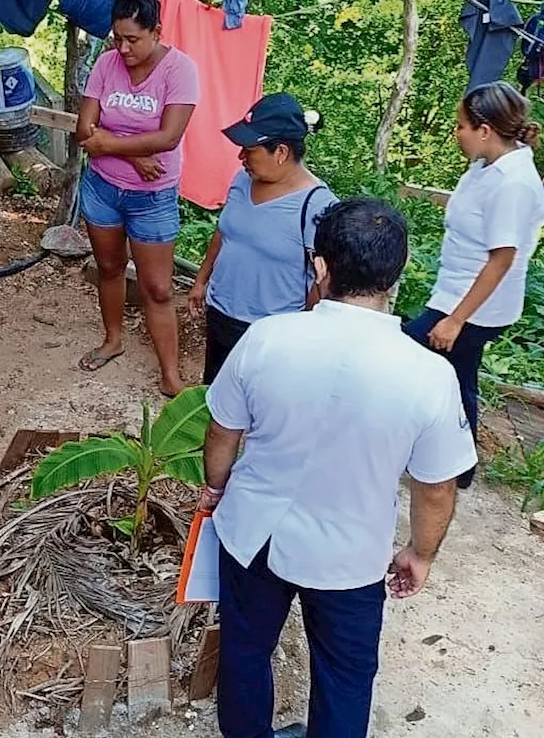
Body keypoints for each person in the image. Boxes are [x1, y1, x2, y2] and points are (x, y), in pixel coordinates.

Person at [201, 198, 476, 738]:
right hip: (350, 557)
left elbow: (221, 432)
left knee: (245, 651)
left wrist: (215, 489)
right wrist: (420, 553)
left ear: (320, 266)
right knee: (346, 676)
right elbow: (437, 487)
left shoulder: (266, 338)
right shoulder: (429, 375)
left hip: (254, 533)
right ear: (395, 277)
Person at [404, 81, 544, 489]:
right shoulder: (487, 165)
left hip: (476, 304)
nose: (456, 133)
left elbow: (502, 258)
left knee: (418, 355)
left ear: (485, 130)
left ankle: (451, 461)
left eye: (462, 126)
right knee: (457, 374)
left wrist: (455, 320)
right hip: (455, 290)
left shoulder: (513, 183)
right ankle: (458, 465)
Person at [74, 0, 200, 396]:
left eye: (133, 39)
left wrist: (110, 143)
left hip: (153, 196)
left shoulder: (181, 71)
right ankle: (112, 340)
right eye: (117, 38)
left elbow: (169, 137)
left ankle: (170, 374)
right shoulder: (106, 64)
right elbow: (82, 131)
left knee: (159, 287)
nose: (122, 48)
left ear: (157, 32)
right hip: (103, 189)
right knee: (108, 267)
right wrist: (133, 152)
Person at [188, 93, 337, 384]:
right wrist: (201, 281)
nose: (241, 157)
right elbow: (224, 232)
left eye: (249, 150)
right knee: (213, 397)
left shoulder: (318, 207)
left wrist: (304, 333)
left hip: (272, 333)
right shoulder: (242, 180)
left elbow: (324, 280)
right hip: (221, 314)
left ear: (280, 152)